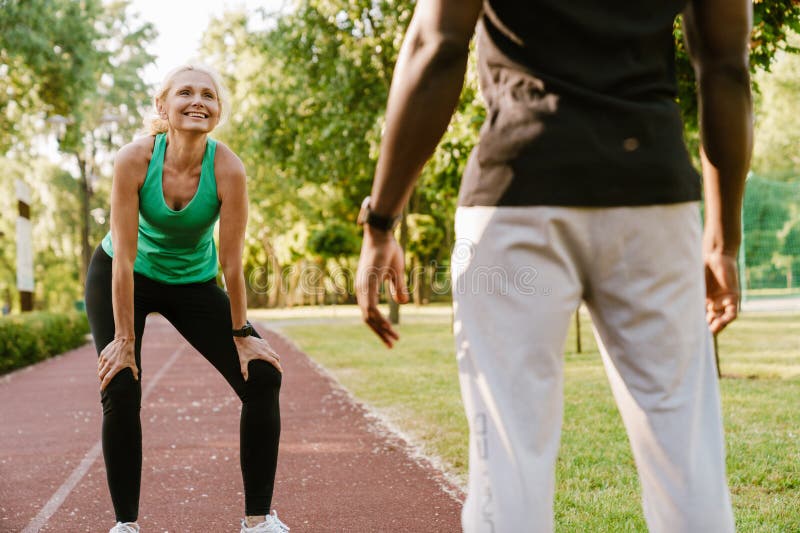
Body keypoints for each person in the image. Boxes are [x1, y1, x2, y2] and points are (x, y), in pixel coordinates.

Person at [355, 1, 752, 531]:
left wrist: (381, 221)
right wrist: (722, 243)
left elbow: (436, 45)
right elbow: (725, 65)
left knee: (509, 453)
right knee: (685, 452)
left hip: (517, 193)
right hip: (650, 196)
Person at [85, 64, 289, 533]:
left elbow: (233, 263)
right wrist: (123, 339)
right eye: (185, 93)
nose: (197, 101)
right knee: (119, 382)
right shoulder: (134, 159)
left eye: (208, 95)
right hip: (125, 273)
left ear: (217, 112)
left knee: (261, 377)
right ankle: (125, 525)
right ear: (163, 106)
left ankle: (258, 521)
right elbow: (123, 258)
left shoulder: (227, 167)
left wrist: (242, 334)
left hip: (194, 282)